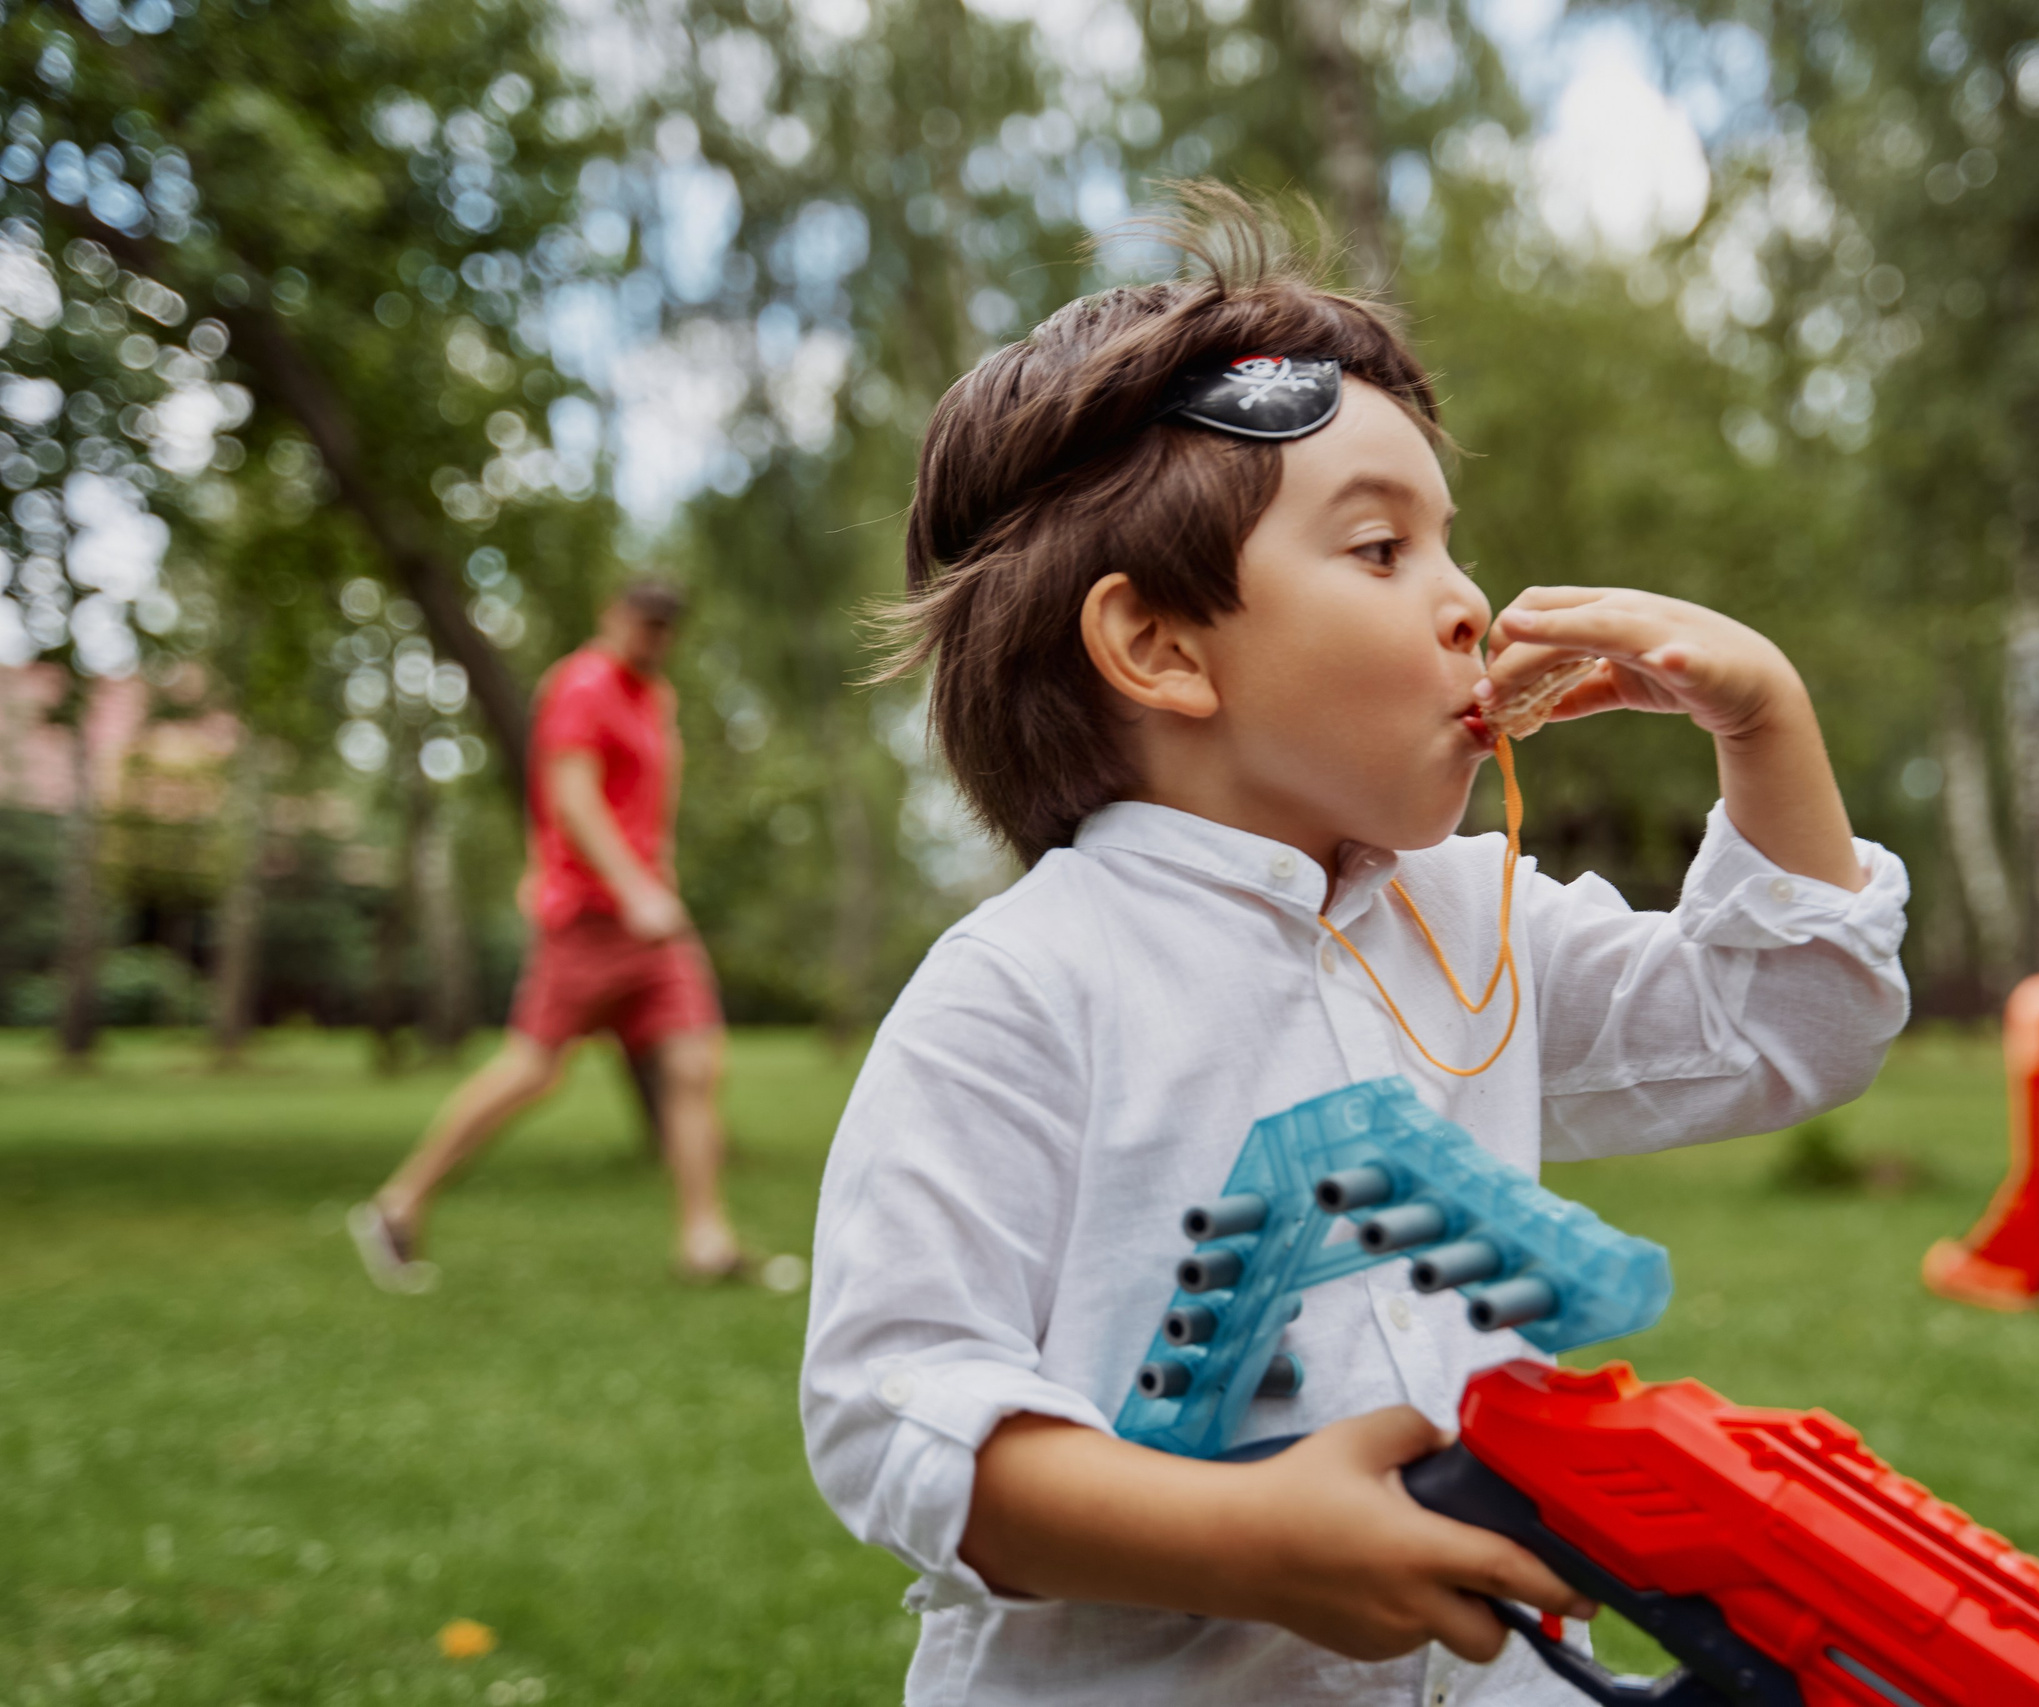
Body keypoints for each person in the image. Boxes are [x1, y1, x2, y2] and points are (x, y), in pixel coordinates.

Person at [800, 199, 1910, 1706]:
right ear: (1161, 648)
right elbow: (893, 1406)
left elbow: (1783, 1025)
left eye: (1449, 542)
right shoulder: (1023, 988)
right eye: (1382, 547)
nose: (1468, 601)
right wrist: (1241, 1538)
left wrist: (1764, 721)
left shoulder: (1473, 922)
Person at [349, 579, 745, 1291]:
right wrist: (632, 889)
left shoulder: (655, 698)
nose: (654, 636)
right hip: (590, 919)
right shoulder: (583, 683)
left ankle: (706, 1241)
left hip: (653, 921)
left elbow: (645, 807)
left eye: (666, 627)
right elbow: (572, 796)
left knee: (694, 1064)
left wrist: (659, 886)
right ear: (612, 615)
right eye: (644, 621)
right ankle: (397, 1205)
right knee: (533, 1068)